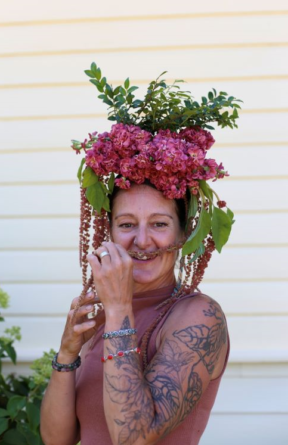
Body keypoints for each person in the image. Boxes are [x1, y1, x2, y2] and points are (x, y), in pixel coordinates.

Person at [40, 64, 241, 445]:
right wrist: (67, 354)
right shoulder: (103, 317)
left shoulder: (197, 315)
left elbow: (134, 437)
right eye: (127, 224)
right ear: (108, 231)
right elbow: (56, 440)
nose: (142, 241)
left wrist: (117, 311)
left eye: (160, 224)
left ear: (185, 232)